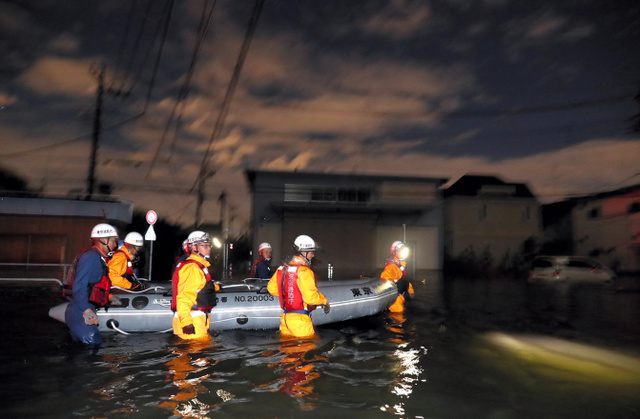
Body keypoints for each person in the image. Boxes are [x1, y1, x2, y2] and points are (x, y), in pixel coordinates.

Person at [63, 223, 119, 346]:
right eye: (113, 241)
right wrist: (86, 310)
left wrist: (108, 296)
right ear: (104, 240)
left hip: (83, 308)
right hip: (79, 310)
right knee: (92, 345)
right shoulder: (91, 257)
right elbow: (79, 285)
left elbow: (93, 285)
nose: (115, 245)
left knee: (83, 349)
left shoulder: (98, 258)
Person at [267, 235, 329, 338]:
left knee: (289, 350)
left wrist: (291, 291)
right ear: (303, 252)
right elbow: (311, 298)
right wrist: (324, 301)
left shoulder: (282, 268)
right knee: (306, 349)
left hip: (285, 320)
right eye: (311, 252)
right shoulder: (305, 271)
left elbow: (272, 289)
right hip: (300, 322)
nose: (313, 255)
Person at [171, 230, 220, 341]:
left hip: (198, 319)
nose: (209, 248)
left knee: (200, 353)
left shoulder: (198, 267)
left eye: (209, 245)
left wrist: (215, 287)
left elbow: (201, 286)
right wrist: (187, 323)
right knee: (196, 354)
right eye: (205, 245)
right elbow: (184, 297)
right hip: (192, 321)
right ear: (194, 248)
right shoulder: (192, 268)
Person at [380, 241, 415, 313]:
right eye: (400, 251)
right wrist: (391, 282)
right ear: (394, 252)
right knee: (398, 313)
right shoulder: (391, 266)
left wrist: (411, 291)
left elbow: (406, 281)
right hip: (395, 299)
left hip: (401, 296)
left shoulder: (401, 266)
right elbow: (384, 277)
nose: (402, 253)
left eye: (403, 251)